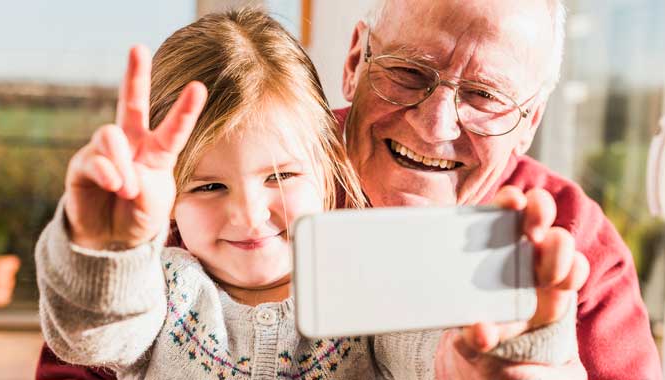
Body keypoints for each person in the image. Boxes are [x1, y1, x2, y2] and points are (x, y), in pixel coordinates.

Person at [38, 9, 576, 380]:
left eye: (280, 177)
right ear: (172, 201)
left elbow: (437, 354)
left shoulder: (366, 283)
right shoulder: (159, 291)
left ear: (329, 166)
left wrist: (515, 335)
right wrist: (105, 251)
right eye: (207, 186)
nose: (249, 214)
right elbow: (91, 335)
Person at [337, 0, 661, 378]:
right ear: (355, 61)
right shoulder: (267, 172)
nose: (435, 126)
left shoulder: (577, 245)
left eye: (484, 95)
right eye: (409, 70)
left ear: (531, 123)